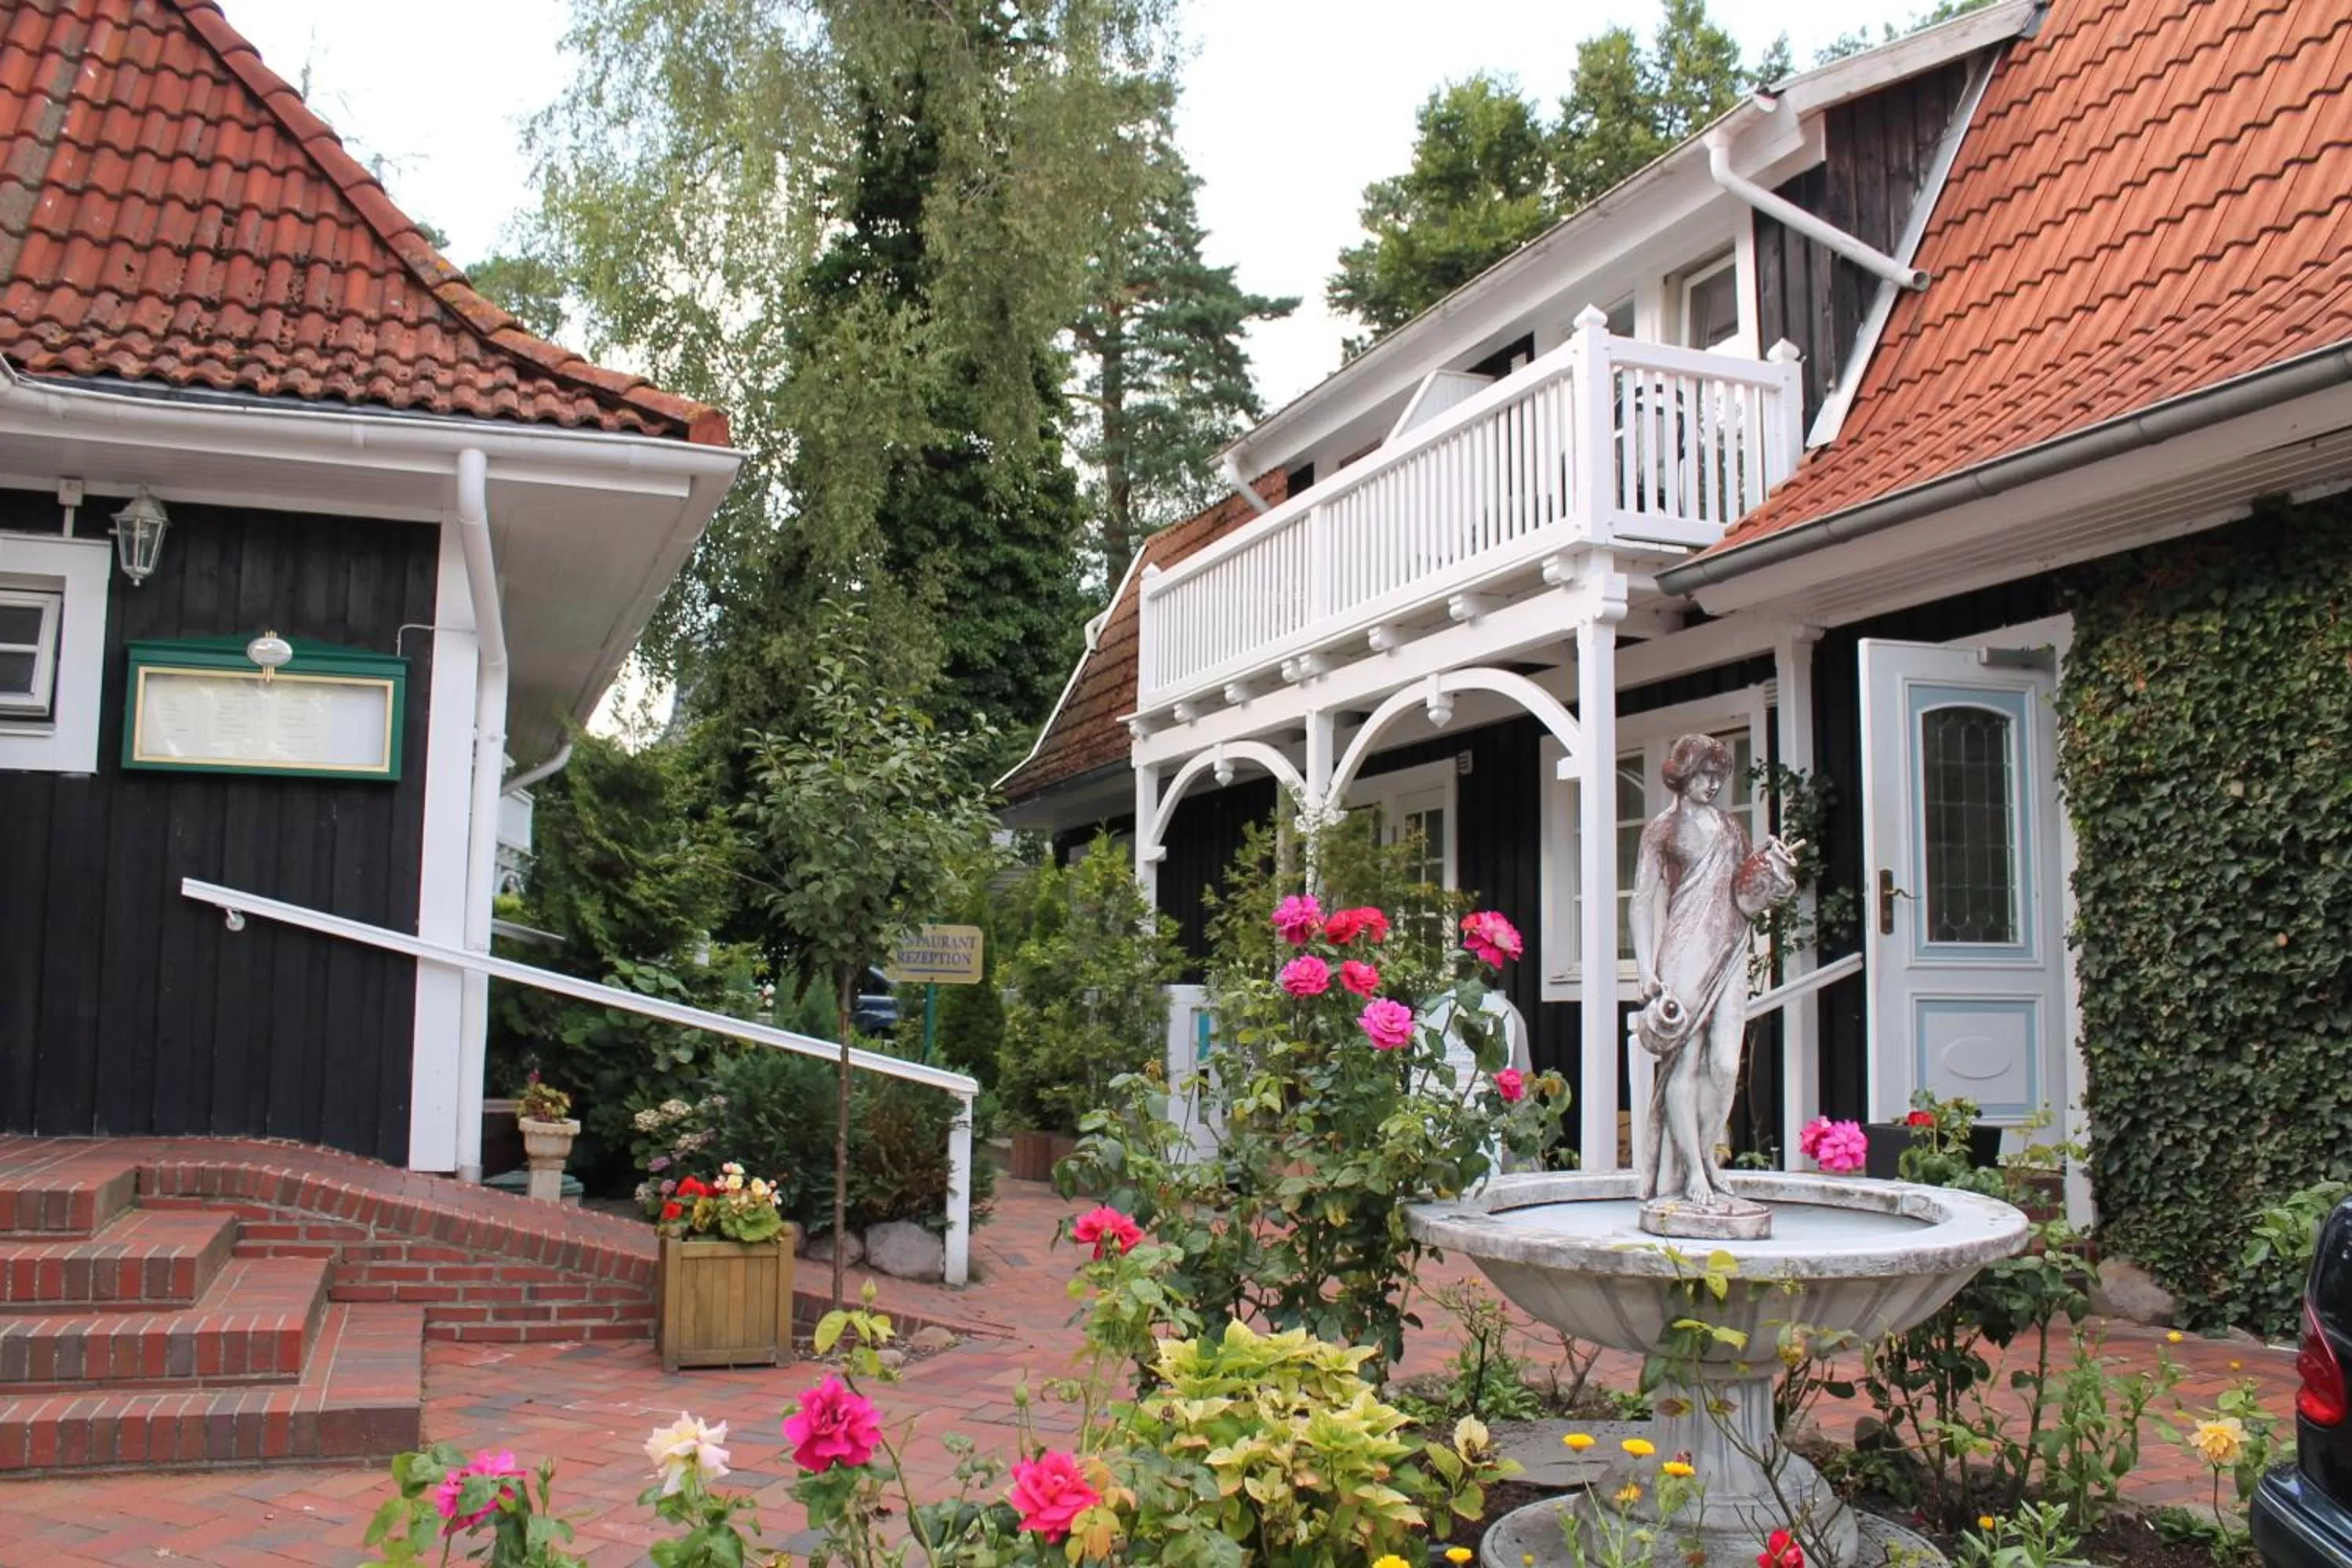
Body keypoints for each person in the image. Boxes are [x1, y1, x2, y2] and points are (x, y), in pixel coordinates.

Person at [1628, 734, 1798, 1211]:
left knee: (1725, 1064)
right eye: (1704, 774)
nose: (1712, 783)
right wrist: (1645, 970)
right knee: (1684, 1061)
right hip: (1684, 952)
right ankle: (1694, 1171)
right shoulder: (1662, 830)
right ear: (1682, 773)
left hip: (1730, 950)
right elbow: (1643, 902)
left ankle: (1708, 1152)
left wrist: (1774, 873)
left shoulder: (1730, 828)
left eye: (1719, 776)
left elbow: (1747, 895)